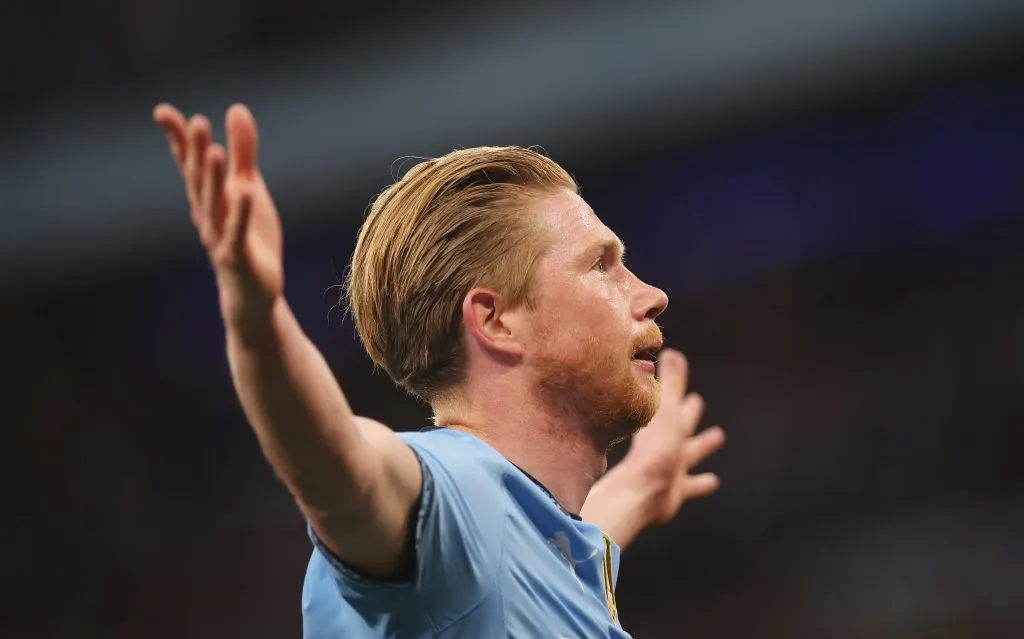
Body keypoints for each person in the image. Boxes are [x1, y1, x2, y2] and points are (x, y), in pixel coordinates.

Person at [153, 102, 726, 638]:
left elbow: (537, 560)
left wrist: (639, 484)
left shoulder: (530, 544)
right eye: (600, 266)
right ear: (495, 320)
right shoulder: (455, 493)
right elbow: (337, 466)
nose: (652, 295)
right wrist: (260, 326)